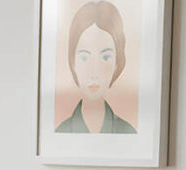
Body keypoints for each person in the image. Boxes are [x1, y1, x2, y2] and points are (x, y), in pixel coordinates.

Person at [56, 1, 137, 134]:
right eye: (84, 58)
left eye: (105, 58)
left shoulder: (129, 132)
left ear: (117, 62)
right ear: (73, 62)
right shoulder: (60, 132)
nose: (94, 72)